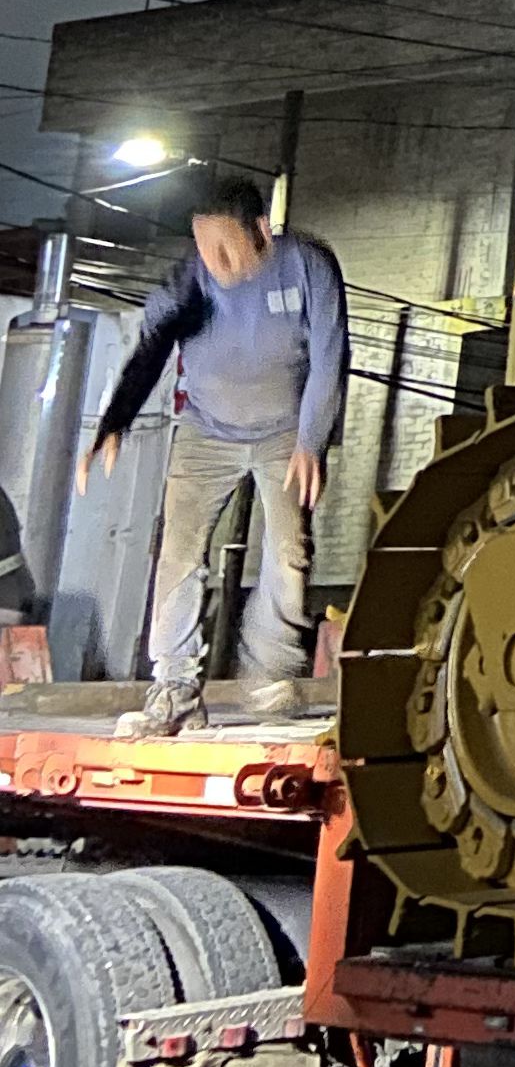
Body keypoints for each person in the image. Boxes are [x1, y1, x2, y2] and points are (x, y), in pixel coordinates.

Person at [87, 171, 347, 734]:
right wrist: (116, 422)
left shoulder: (308, 265)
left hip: (284, 431)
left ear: (261, 230)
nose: (217, 263)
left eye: (226, 247)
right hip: (206, 430)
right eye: (205, 248)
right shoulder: (192, 279)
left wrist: (311, 441)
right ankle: (176, 685)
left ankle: (270, 672)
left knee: (288, 550)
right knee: (179, 551)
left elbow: (330, 355)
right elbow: (153, 345)